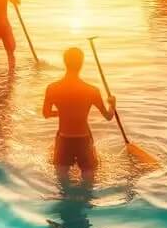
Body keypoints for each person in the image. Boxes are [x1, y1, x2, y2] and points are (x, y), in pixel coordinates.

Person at [42, 47, 116, 178]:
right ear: (81, 63)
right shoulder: (92, 90)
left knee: (62, 184)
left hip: (64, 140)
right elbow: (108, 116)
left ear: (64, 62)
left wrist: (63, 113)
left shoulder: (52, 88)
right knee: (89, 184)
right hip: (83, 140)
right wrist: (112, 105)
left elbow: (46, 114)